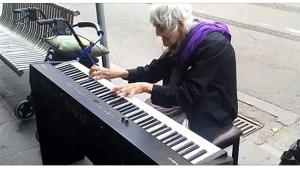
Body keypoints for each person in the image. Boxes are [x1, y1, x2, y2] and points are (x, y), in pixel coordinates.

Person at [89, 4, 238, 142]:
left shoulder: (213, 46)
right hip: (186, 100)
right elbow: (155, 70)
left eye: (163, 32)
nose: (161, 38)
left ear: (179, 24)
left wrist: (146, 87)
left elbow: (188, 94)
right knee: (137, 120)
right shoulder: (184, 36)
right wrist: (118, 73)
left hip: (209, 108)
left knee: (157, 139)